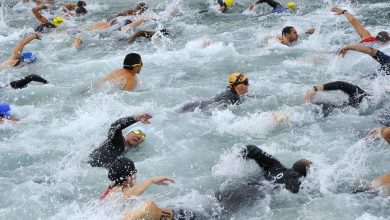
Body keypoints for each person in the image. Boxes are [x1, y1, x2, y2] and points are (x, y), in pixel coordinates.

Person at [101, 158, 203, 220]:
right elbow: (127, 195)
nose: (136, 175)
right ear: (129, 177)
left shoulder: (110, 188)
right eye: (134, 171)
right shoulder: (118, 191)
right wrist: (152, 180)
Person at [242, 145, 312, 193]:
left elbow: (249, 148)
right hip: (259, 194)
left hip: (247, 187)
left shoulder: (276, 166)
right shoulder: (298, 186)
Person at [180, 72, 249, 112]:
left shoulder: (232, 93)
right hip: (196, 108)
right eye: (246, 82)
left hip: (196, 104)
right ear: (240, 86)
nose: (248, 84)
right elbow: (214, 108)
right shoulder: (232, 98)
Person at [88, 17, 153, 32]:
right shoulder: (119, 27)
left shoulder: (102, 24)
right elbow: (141, 20)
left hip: (114, 25)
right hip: (117, 27)